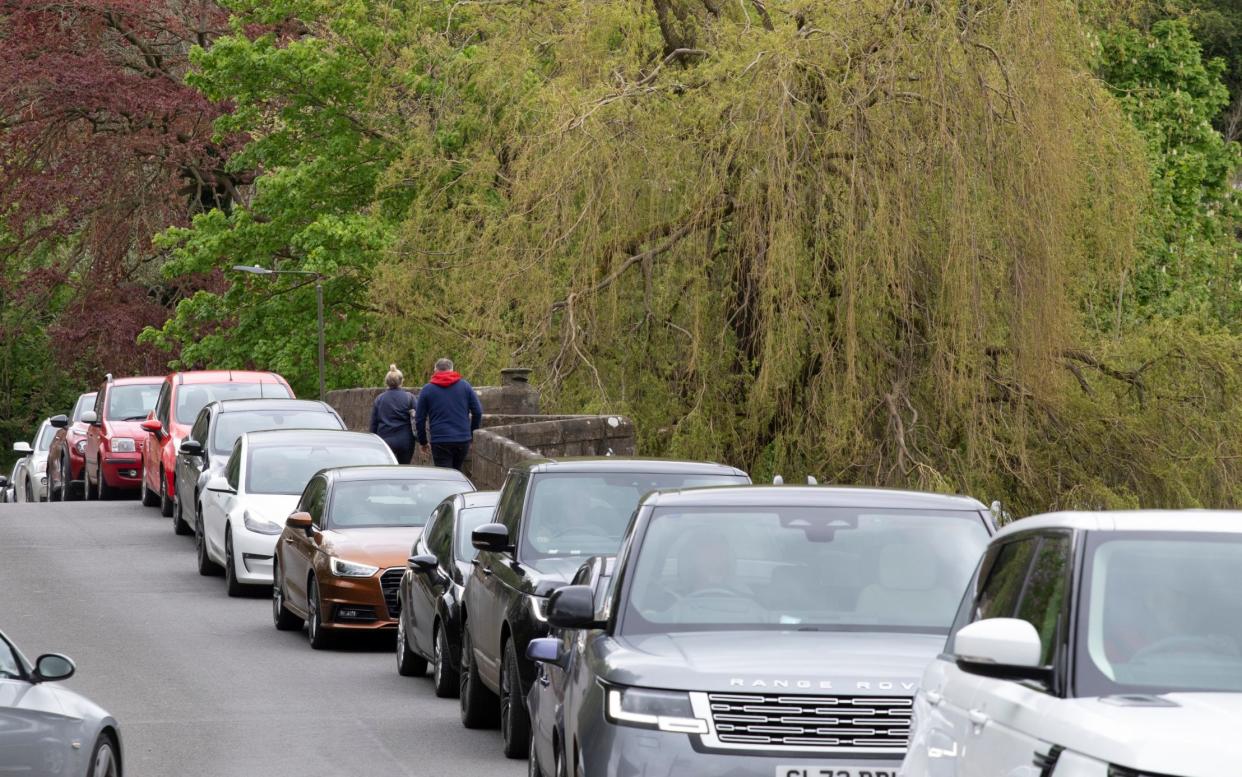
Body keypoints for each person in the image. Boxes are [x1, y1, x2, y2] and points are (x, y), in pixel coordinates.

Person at [414, 358, 483, 471]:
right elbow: (478, 412)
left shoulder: (427, 389)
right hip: (462, 439)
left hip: (440, 440)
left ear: (435, 370)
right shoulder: (465, 386)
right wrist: (471, 435)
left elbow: (419, 418)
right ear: (452, 370)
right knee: (457, 472)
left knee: (444, 476)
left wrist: (423, 441)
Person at [370, 364, 416, 464]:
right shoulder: (410, 398)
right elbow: (417, 419)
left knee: (386, 469)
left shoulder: (379, 399)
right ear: (401, 381)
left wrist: (372, 440)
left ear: (386, 382)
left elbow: (374, 423)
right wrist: (421, 439)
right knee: (404, 468)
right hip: (405, 440)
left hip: (385, 440)